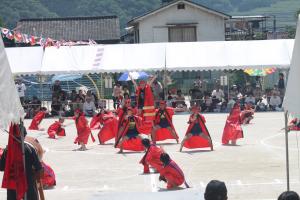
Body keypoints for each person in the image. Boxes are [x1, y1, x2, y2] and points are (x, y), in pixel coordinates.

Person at [0, 124, 43, 200]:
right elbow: (38, 168)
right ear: (24, 135)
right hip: (28, 184)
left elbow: (1, 167)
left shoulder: (7, 150)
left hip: (13, 184)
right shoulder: (29, 149)